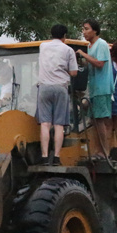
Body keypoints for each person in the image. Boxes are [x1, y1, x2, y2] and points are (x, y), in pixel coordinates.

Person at [37, 24, 78, 166]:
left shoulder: (42, 46)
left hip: (44, 87)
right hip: (60, 87)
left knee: (45, 124)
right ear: (64, 36)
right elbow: (73, 73)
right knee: (59, 124)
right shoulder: (68, 50)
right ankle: (56, 157)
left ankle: (43, 156)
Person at [76, 19, 114, 160]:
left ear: (95, 30)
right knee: (94, 121)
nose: (84, 32)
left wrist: (84, 54)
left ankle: (104, 151)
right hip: (93, 87)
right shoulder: (91, 46)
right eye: (83, 29)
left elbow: (99, 64)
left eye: (86, 29)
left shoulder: (101, 44)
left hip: (102, 87)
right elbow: (90, 63)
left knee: (100, 120)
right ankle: (99, 149)